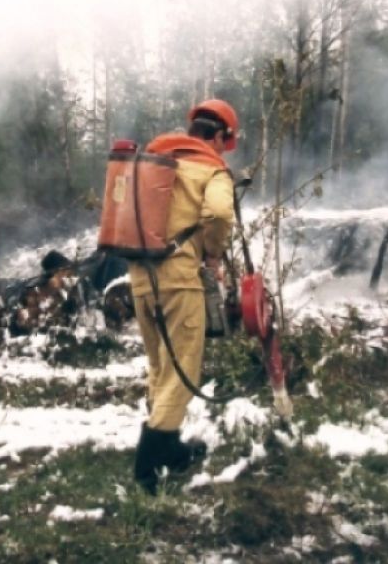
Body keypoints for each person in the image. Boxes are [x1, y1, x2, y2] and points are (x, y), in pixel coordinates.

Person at [129, 98, 237, 493]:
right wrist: (212, 255)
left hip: (140, 279)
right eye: (227, 141)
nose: (226, 148)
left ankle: (172, 452)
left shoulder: (154, 158)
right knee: (184, 371)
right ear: (221, 136)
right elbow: (220, 215)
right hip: (179, 280)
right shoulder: (213, 167)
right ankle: (145, 466)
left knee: (160, 368)